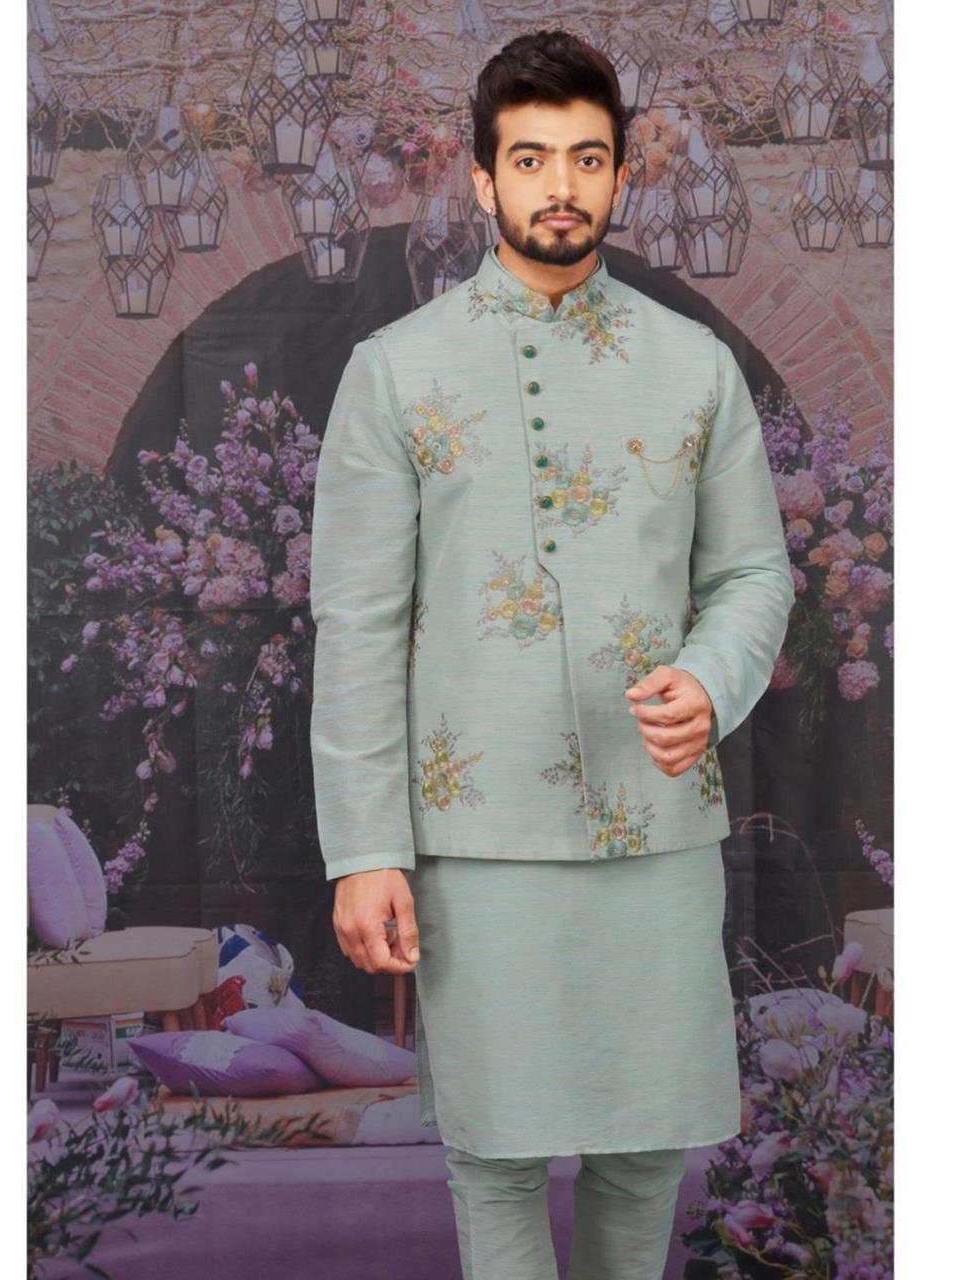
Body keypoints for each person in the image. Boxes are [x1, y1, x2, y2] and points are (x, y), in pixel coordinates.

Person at [309, 28, 795, 1280]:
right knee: (496, 1154)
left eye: (586, 157)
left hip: (656, 828)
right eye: (530, 158)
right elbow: (357, 622)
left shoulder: (696, 366)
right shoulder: (395, 373)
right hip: (477, 844)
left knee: (647, 1151)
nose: (561, 185)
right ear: (483, 179)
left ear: (620, 173)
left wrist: (711, 680)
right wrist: (365, 850)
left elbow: (753, 575)